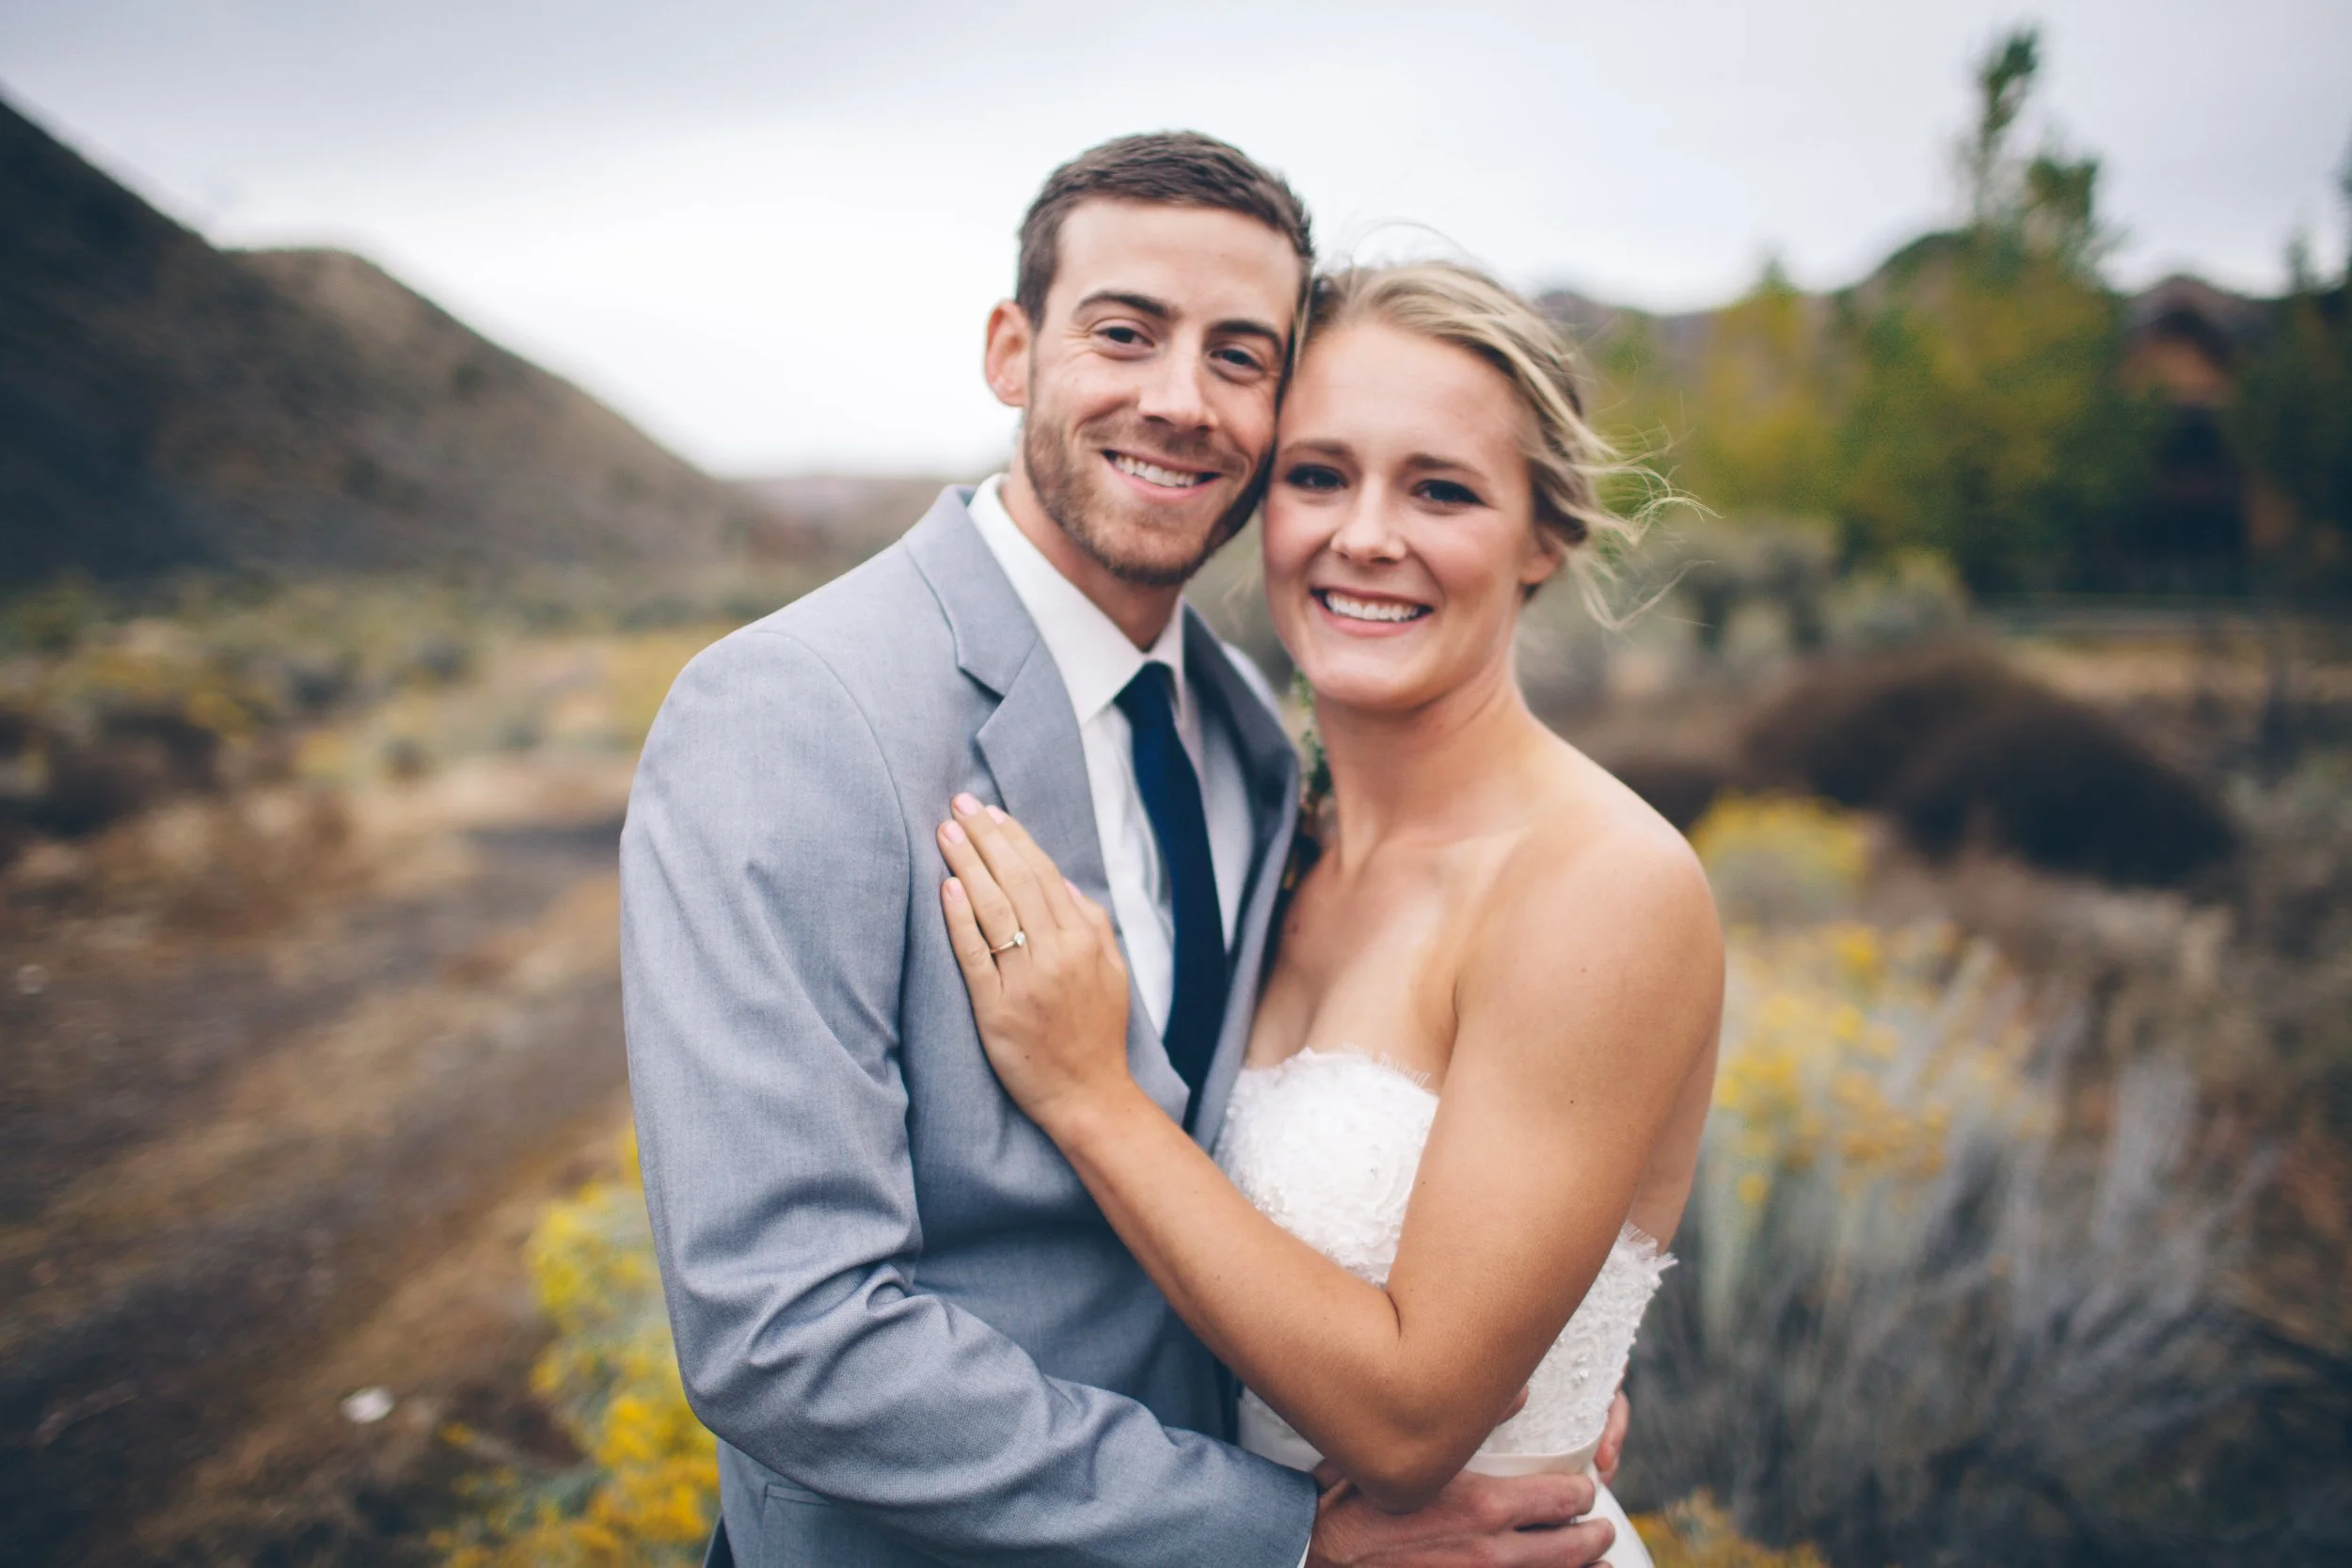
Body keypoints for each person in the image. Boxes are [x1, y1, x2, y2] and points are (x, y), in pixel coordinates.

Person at [621, 133, 1629, 1568]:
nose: (1179, 401)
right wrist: (1279, 1535)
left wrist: (1521, 1380)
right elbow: (782, 1332)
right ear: (1011, 350)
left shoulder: (1254, 737)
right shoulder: (796, 711)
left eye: (1239, 355)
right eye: (1125, 333)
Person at [931, 261, 1724, 1567]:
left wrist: (1088, 1091)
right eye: (1317, 475)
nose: (1365, 534)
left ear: (1545, 535)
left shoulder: (1599, 884)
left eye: (1442, 489)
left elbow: (1413, 1424)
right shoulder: (1273, 833)